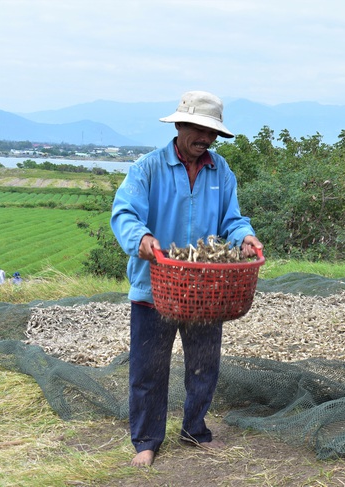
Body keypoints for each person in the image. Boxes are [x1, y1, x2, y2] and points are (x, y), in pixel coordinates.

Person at [110, 90, 263, 467]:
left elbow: (232, 218)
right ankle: (146, 441)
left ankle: (195, 429)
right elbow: (125, 214)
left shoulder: (220, 171)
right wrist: (142, 239)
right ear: (179, 125)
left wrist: (244, 235)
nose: (206, 139)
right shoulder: (147, 168)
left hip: (205, 291)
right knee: (148, 369)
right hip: (155, 289)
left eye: (212, 133)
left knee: (204, 366)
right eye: (199, 129)